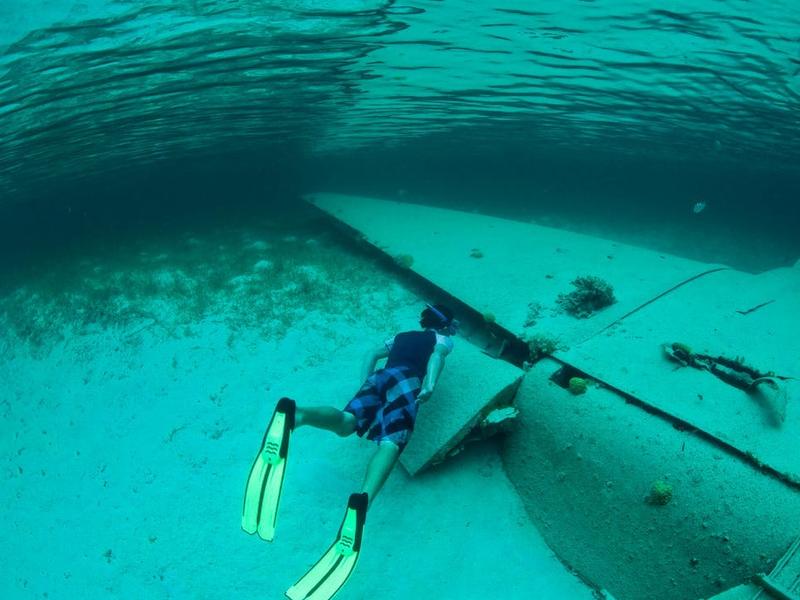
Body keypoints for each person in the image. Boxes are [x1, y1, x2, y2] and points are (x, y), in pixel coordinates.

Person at [241, 303, 457, 600]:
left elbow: (371, 353)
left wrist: (365, 382)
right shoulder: (443, 339)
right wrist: (429, 385)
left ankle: (297, 415)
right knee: (391, 442)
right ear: (444, 326)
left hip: (380, 375)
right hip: (408, 381)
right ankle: (363, 501)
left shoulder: (402, 335)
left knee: (346, 423)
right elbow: (436, 357)